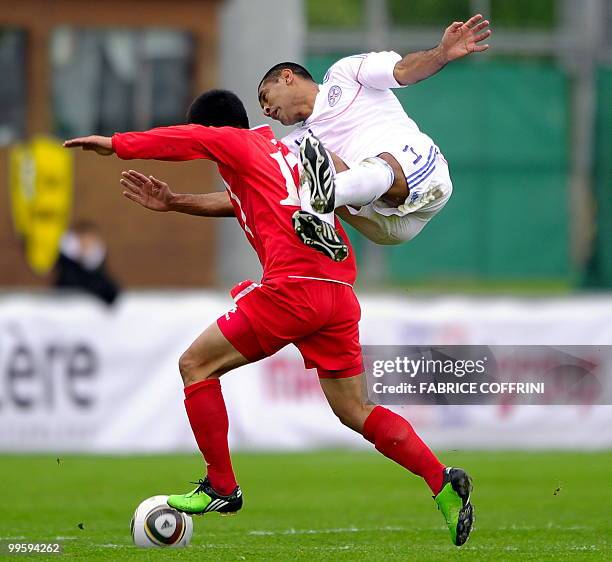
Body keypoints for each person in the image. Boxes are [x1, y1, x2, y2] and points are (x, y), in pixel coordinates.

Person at [63, 89, 474, 546]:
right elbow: (240, 200)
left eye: (208, 138)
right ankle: (442, 481)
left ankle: (221, 485)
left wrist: (116, 144)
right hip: (337, 293)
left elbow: (186, 139)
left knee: (195, 365)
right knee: (355, 410)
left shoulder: (235, 143)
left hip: (294, 290)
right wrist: (176, 201)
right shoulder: (285, 153)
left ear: (217, 131)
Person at [257, 14, 491, 250]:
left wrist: (441, 53)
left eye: (265, 97)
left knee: (332, 162)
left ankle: (319, 207)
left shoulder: (345, 74)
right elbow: (260, 192)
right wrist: (219, 204)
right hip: (381, 221)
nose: (266, 110)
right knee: (309, 159)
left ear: (287, 77)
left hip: (426, 182)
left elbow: (403, 70)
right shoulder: (293, 144)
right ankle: (320, 215)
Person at [54, 221, 120, 305]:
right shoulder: (66, 264)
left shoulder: (99, 268)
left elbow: (110, 293)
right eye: (82, 240)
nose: (86, 244)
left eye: (90, 240)